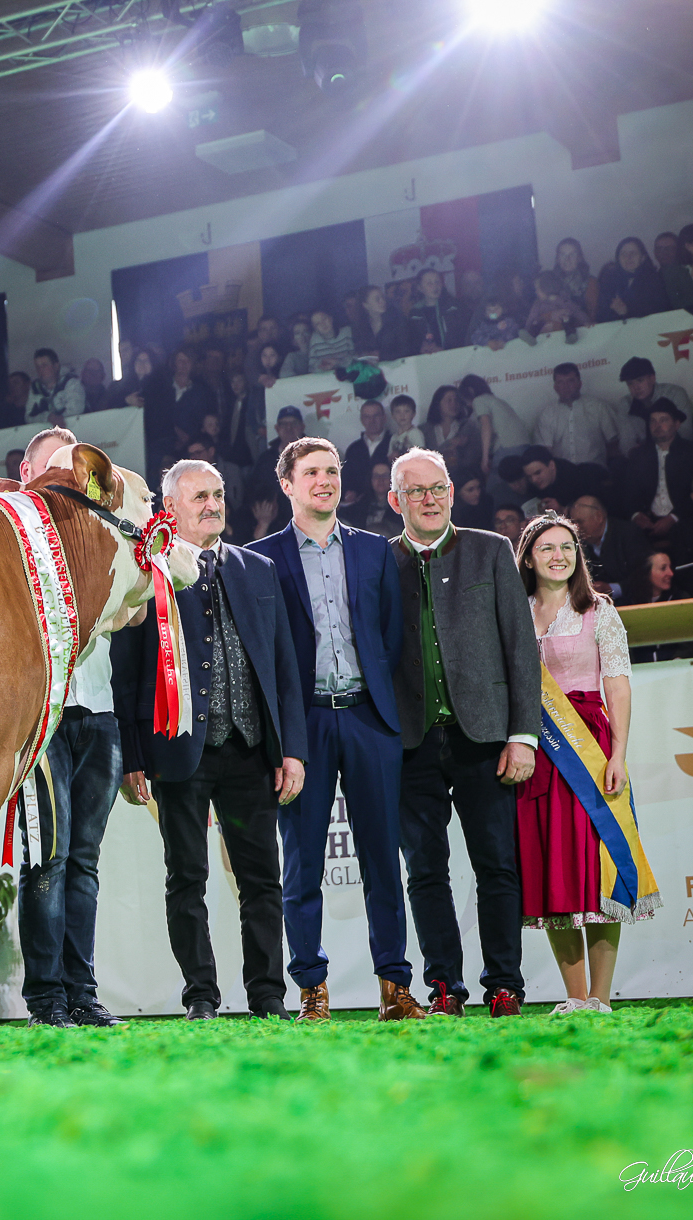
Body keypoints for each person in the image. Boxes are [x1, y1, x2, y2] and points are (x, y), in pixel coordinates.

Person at [114, 457, 305, 1020]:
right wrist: (132, 755)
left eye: (218, 494)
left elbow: (284, 667)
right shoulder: (147, 573)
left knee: (261, 880)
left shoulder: (258, 569)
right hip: (179, 754)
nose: (213, 505)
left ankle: (268, 996)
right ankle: (201, 996)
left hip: (250, 754)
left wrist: (289, 749)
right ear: (169, 509)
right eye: (200, 497)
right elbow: (128, 674)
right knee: (187, 880)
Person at [248, 437, 413, 1022]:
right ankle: (311, 989)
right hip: (304, 726)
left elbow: (391, 639)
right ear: (287, 485)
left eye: (333, 470)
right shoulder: (260, 559)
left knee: (381, 859)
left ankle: (395, 986)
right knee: (301, 864)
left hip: (370, 719)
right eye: (311, 471)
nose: (325, 479)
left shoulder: (375, 551)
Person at [388, 448, 543, 1018]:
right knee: (425, 870)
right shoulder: (381, 563)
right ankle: (444, 988)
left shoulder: (491, 550)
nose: (429, 499)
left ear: (452, 492)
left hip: (486, 738)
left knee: (497, 864)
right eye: (416, 491)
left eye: (438, 488)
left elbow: (522, 651)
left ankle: (505, 984)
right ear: (395, 500)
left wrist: (523, 735)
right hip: (410, 743)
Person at [515, 515, 658, 1013]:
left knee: (596, 867)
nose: (559, 556)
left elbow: (617, 684)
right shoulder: (512, 612)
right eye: (548, 548)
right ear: (528, 556)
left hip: (589, 749)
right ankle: (574, 997)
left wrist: (619, 753)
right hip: (534, 753)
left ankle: (601, 997)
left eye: (568, 548)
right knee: (552, 868)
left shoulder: (599, 611)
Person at [10, 428, 124, 1029]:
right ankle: (46, 997)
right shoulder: (8, 538)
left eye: (73, 462)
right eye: (52, 462)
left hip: (100, 712)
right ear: (27, 473)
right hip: (44, 715)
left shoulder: (104, 529)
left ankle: (82, 992)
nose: (67, 470)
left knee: (84, 860)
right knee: (47, 860)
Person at [618, 399, 693, 542]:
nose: (657, 426)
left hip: (685, 520)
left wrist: (673, 517)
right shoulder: (639, 455)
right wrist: (636, 515)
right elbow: (629, 493)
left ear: (676, 424)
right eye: (653, 421)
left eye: (663, 420)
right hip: (648, 522)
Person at [532, 363, 623, 467]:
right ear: (555, 387)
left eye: (570, 381)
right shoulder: (547, 414)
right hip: (563, 474)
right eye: (561, 382)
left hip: (594, 471)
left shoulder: (598, 407)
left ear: (579, 384)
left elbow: (613, 443)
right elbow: (545, 452)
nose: (566, 387)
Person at [616, 358, 693, 452]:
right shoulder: (625, 404)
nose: (636, 387)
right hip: (646, 458)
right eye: (630, 383)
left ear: (652, 378)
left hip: (680, 451)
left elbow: (685, 434)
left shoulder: (674, 393)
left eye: (640, 380)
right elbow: (626, 445)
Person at [459, 375, 530, 467]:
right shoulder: (496, 401)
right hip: (524, 445)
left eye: (465, 399)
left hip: (507, 447)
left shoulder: (479, 400)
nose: (468, 405)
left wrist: (485, 458)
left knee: (496, 480)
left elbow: (486, 427)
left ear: (470, 391)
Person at [520, 446, 608, 517]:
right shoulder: (533, 485)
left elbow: (593, 513)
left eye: (538, 473)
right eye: (529, 476)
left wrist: (564, 509)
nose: (534, 480)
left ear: (551, 465)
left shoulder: (578, 480)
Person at [594, 238, 665, 322]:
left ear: (643, 257)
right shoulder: (609, 279)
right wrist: (612, 309)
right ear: (618, 258)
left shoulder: (654, 279)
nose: (628, 257)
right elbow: (600, 316)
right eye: (623, 254)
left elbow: (660, 311)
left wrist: (628, 311)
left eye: (633, 253)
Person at [341, 400, 392, 502]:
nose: (372, 421)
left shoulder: (395, 443)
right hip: (360, 509)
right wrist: (349, 493)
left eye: (376, 416)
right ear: (362, 420)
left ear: (384, 418)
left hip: (391, 508)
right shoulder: (353, 449)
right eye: (367, 417)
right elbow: (346, 480)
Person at [424, 385, 480, 478]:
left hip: (462, 478)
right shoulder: (424, 429)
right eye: (449, 400)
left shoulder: (468, 426)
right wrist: (449, 444)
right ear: (438, 404)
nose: (454, 404)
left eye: (456, 400)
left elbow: (474, 457)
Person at [409, 269, 468, 352]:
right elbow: (412, 341)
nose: (435, 286)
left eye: (437, 282)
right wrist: (421, 348)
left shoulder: (454, 307)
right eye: (429, 283)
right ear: (420, 288)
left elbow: (464, 336)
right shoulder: (415, 314)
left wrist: (444, 350)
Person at [25, 348, 86, 423]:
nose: (40, 370)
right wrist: (47, 417)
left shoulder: (72, 382)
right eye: (38, 367)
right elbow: (28, 417)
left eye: (44, 365)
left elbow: (76, 410)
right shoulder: (35, 388)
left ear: (56, 366)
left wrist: (57, 418)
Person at [351, 285, 409, 361]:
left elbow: (405, 349)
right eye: (377, 299)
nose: (382, 301)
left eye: (382, 297)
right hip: (373, 370)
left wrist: (381, 355)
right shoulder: (358, 327)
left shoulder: (396, 321)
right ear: (365, 305)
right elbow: (358, 351)